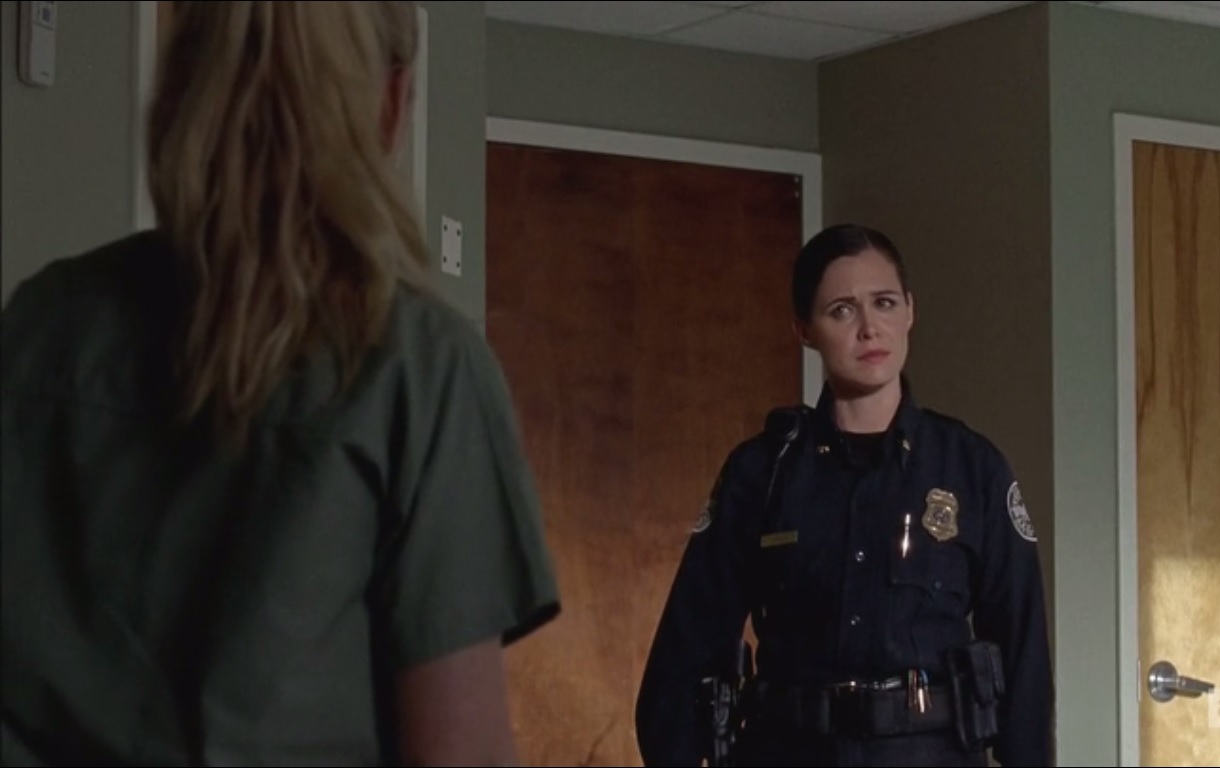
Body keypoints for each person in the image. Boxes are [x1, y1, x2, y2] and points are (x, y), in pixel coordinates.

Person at [1, 2, 559, 766]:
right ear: (391, 102)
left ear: (181, 84)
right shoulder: (421, 374)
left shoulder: (37, 326)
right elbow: (462, 754)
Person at [634, 223, 1053, 767]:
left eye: (884, 303)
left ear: (910, 311)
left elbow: (1023, 654)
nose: (869, 328)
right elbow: (687, 648)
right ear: (805, 330)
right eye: (841, 310)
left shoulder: (972, 468)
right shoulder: (762, 472)